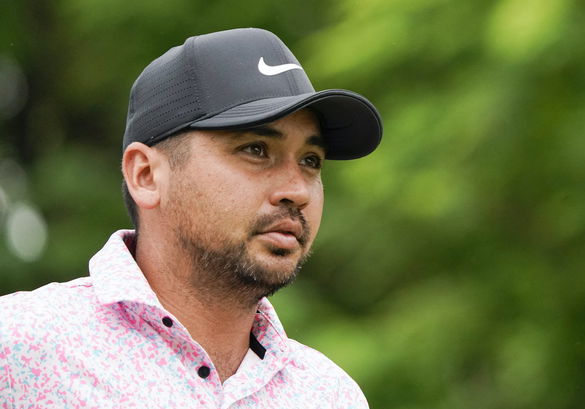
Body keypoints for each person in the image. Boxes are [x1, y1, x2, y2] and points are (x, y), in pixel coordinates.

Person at [0, 28, 382, 408]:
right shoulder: (20, 345)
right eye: (255, 149)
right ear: (146, 175)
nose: (296, 190)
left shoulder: (329, 395)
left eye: (310, 161)